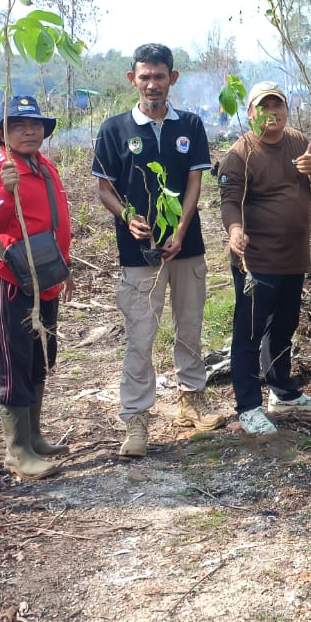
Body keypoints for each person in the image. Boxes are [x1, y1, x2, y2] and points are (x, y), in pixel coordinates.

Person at [92, 43, 222, 458]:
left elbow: (195, 185)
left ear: (173, 79)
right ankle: (136, 418)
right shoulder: (114, 130)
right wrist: (127, 217)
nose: (153, 84)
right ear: (133, 79)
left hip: (186, 246)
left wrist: (182, 229)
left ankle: (191, 399)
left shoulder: (191, 126)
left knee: (189, 325)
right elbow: (104, 189)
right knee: (140, 335)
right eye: (145, 76)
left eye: (160, 76)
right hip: (139, 253)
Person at [0, 96, 73, 479]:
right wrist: (4, 190)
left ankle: (33, 436)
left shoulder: (45, 166)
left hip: (44, 275)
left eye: (35, 125)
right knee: (11, 359)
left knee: (39, 354)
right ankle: (16, 450)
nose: (29, 131)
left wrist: (65, 268)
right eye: (18, 125)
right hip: (9, 275)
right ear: (1, 132)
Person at [219, 81, 311, 436]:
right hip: (256, 260)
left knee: (284, 326)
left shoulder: (298, 142)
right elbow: (230, 199)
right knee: (248, 333)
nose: (271, 113)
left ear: (286, 109)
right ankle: (248, 406)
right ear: (250, 114)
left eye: (276, 105)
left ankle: (282, 392)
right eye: (263, 107)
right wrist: (235, 231)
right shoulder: (241, 152)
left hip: (294, 258)